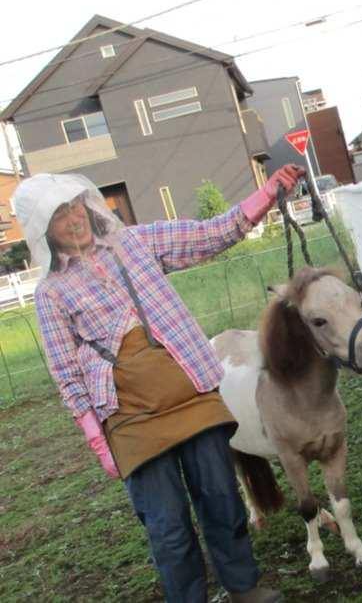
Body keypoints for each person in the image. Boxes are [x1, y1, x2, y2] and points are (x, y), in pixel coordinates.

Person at [14, 165, 305, 603]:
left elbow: (208, 235)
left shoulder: (133, 243)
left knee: (222, 499)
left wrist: (265, 194)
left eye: (75, 208)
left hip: (192, 393)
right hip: (130, 419)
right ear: (43, 232)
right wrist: (96, 438)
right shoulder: (52, 293)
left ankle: (243, 587)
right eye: (60, 217)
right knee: (167, 526)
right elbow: (64, 371)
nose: (74, 220)